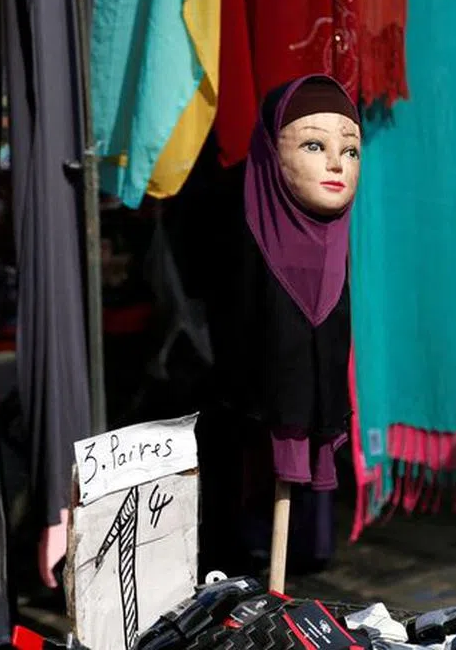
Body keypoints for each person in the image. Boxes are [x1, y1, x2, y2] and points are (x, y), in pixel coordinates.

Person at [187, 74, 362, 579]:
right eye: (314, 144)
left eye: (350, 151)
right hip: (248, 424)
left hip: (315, 409)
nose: (337, 163)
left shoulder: (338, 244)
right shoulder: (235, 235)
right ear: (272, 153)